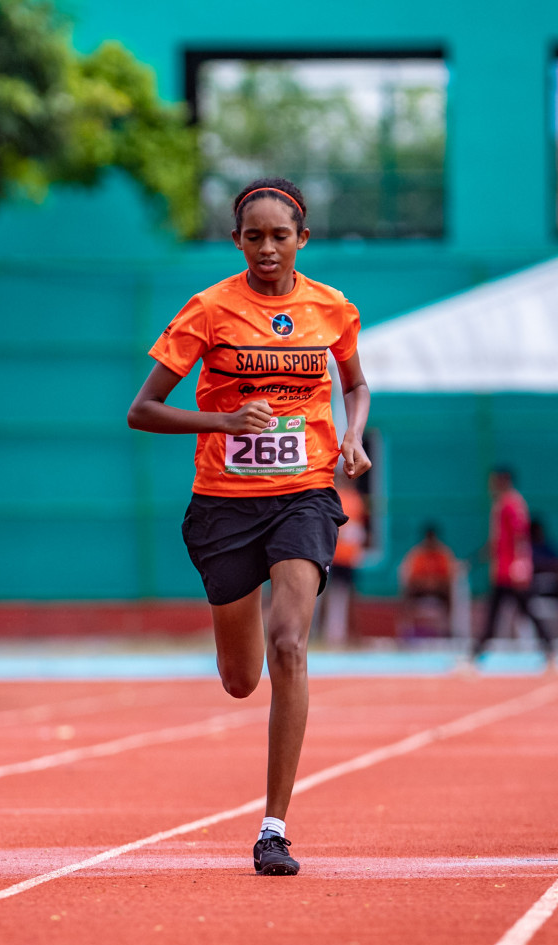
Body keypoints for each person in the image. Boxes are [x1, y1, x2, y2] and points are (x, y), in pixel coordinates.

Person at [127, 178, 371, 876]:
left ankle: (274, 827)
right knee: (241, 679)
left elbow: (354, 383)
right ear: (238, 241)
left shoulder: (332, 308)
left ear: (302, 239)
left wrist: (353, 435)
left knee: (289, 642)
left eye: (281, 235)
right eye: (254, 236)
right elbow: (142, 410)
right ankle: (248, 675)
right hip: (225, 505)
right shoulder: (208, 310)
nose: (268, 247)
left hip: (304, 494)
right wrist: (224, 421)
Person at [470, 467, 553, 665]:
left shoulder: (512, 504)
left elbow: (519, 536)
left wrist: (520, 563)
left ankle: (548, 645)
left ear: (503, 481)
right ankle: (479, 649)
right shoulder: (501, 505)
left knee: (521, 610)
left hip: (512, 571)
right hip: (502, 571)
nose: (491, 486)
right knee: (497, 611)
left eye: (494, 482)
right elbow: (498, 540)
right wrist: (479, 558)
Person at [323, 474, 367, 645]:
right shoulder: (334, 496)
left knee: (342, 597)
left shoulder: (356, 499)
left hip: (347, 557)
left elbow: (358, 528)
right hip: (331, 555)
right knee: (324, 596)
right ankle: (327, 633)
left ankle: (336, 634)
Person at [399, 523, 455, 638]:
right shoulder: (417, 554)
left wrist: (435, 583)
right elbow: (410, 577)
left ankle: (447, 629)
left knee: (449, 592)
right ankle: (406, 629)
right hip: (421, 588)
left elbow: (450, 576)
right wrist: (426, 583)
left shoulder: (443, 554)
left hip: (439, 589)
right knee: (405, 593)